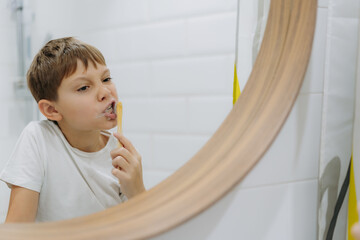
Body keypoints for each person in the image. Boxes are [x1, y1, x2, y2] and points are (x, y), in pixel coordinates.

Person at [0, 37, 145, 222]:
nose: (105, 92)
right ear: (52, 110)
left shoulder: (119, 154)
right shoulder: (39, 139)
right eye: (84, 87)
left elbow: (141, 228)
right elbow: (17, 230)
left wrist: (137, 190)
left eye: (106, 79)